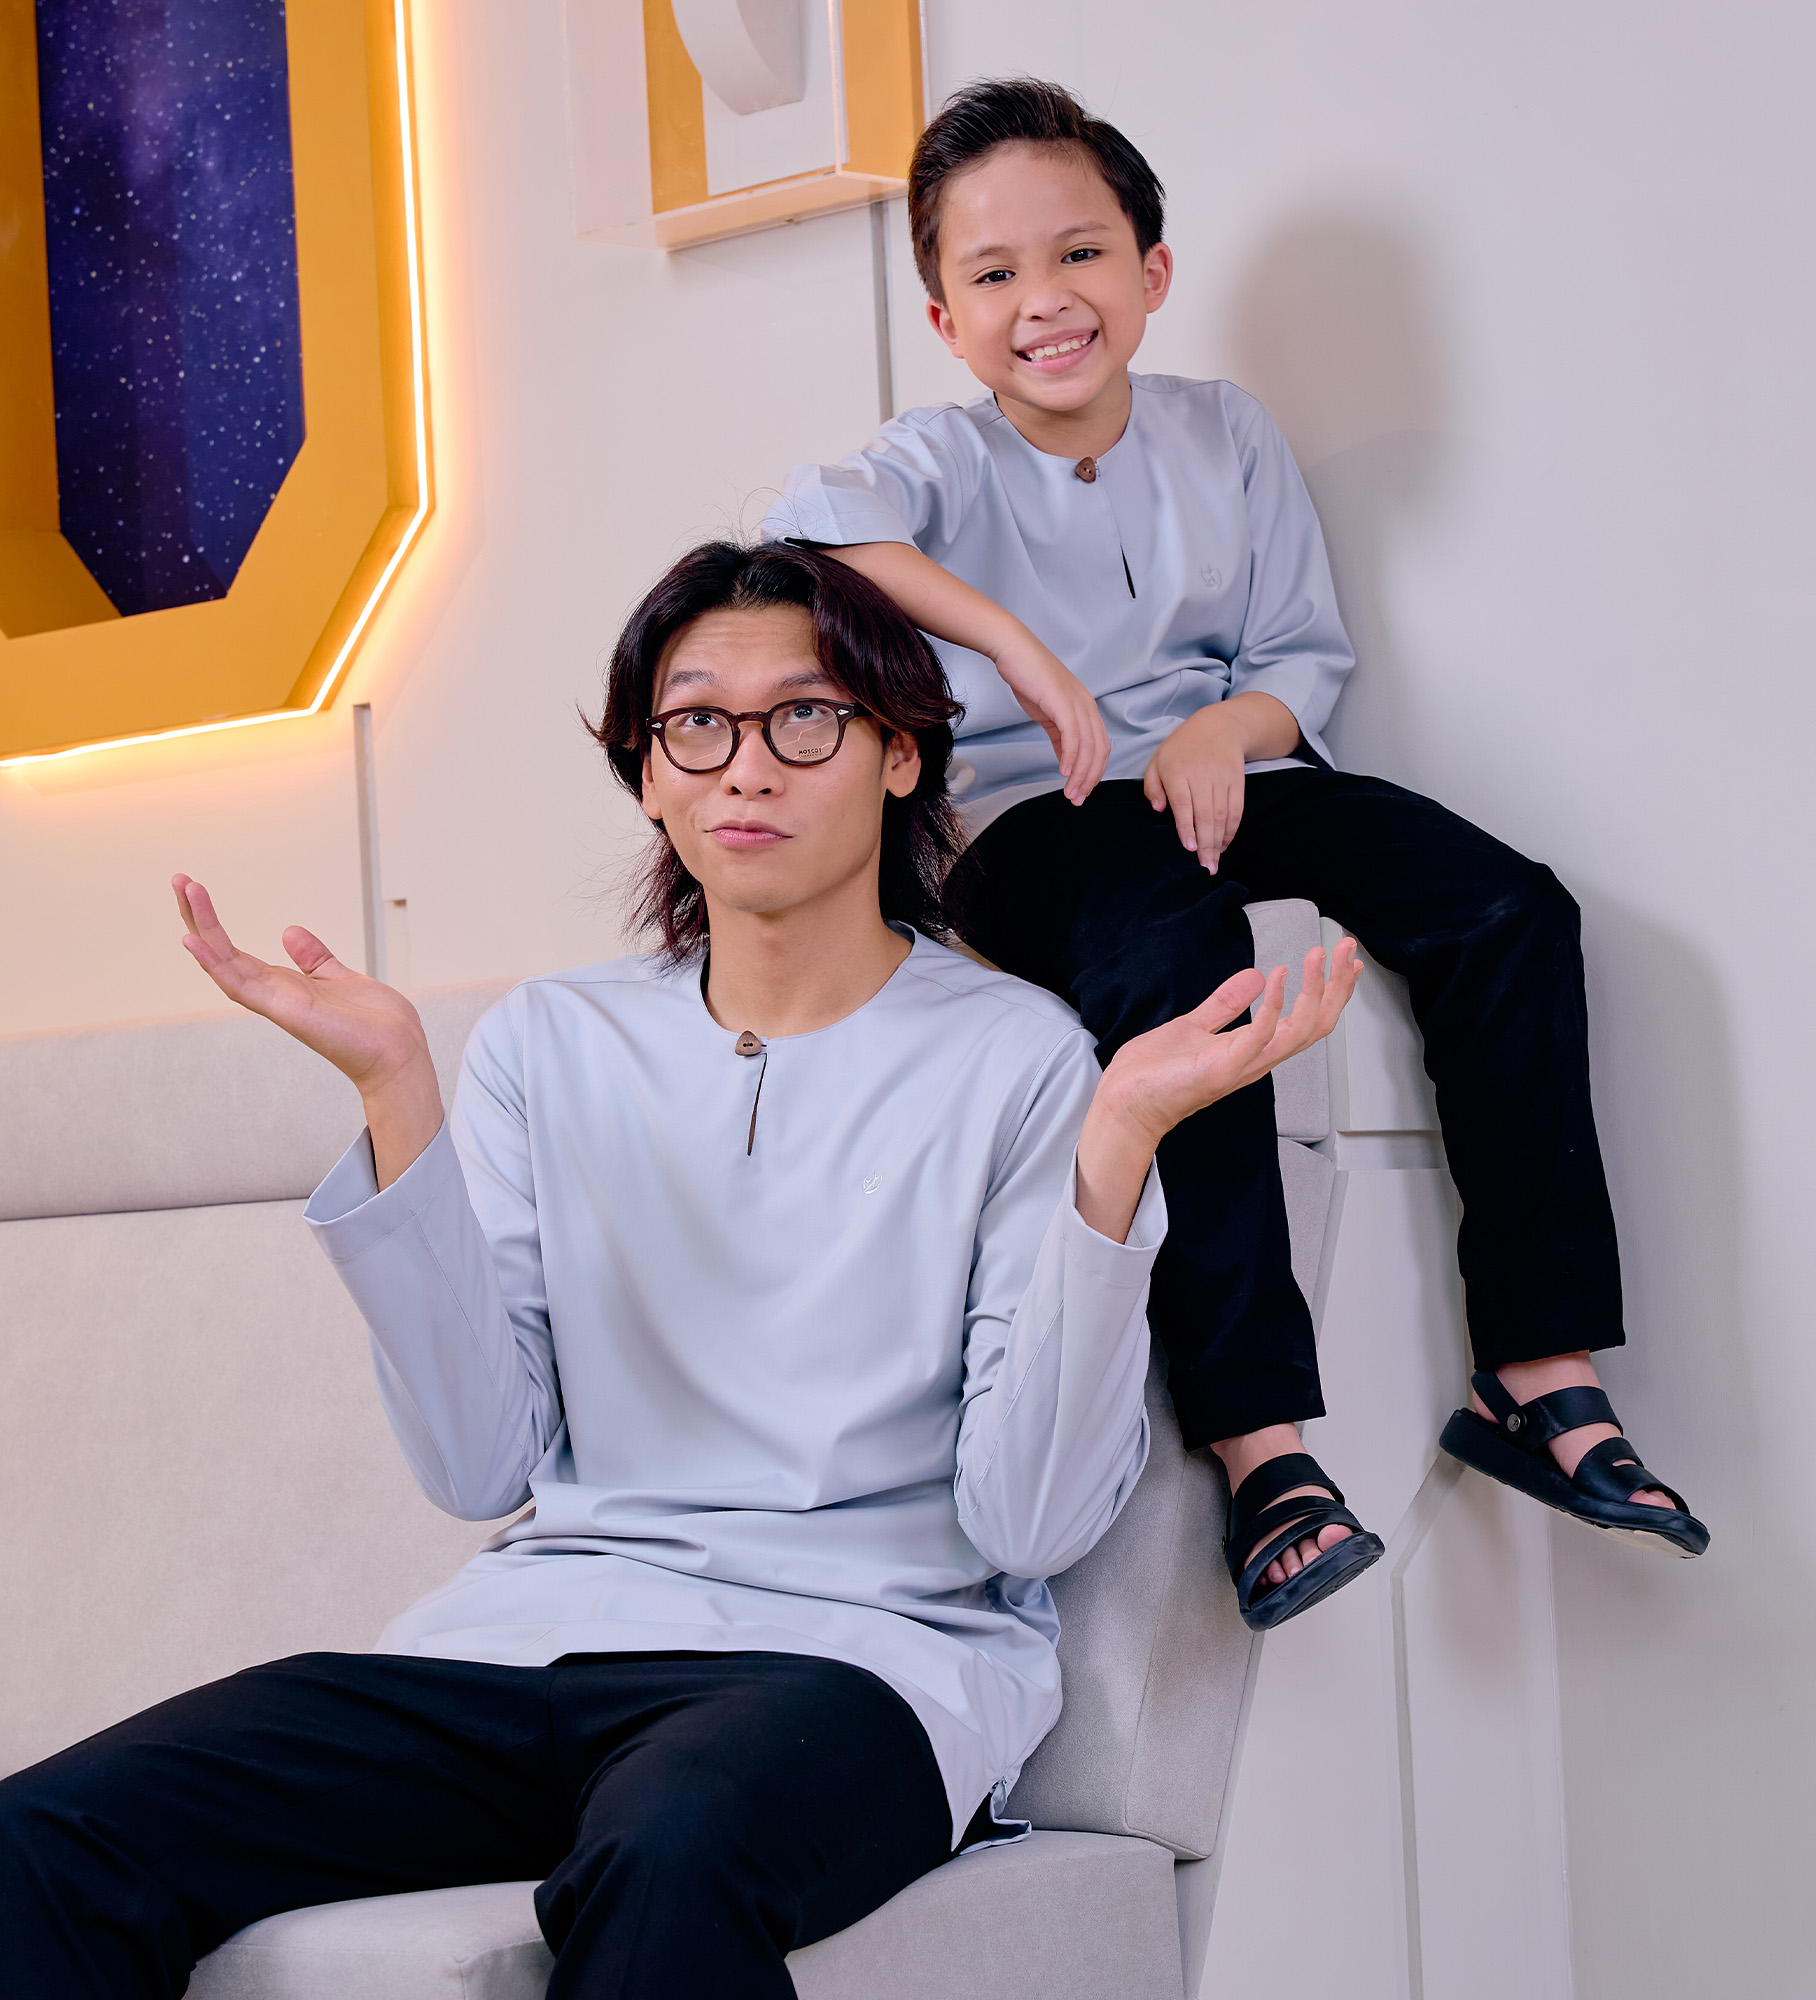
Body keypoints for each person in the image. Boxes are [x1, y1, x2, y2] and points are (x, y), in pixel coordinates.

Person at [0, 542, 1358, 2000]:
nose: (744, 768)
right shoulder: (548, 1043)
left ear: (901, 755)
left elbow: (1026, 1521)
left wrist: (1118, 1153)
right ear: (649, 775)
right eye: (697, 723)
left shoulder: (1018, 1058)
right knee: (42, 1841)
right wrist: (400, 1096)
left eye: (805, 717)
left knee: (673, 1854)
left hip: (862, 1664)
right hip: (523, 1645)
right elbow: (479, 1463)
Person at [765, 78, 1708, 1634]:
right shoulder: (938, 460)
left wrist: (1226, 729)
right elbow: (809, 537)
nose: (1043, 301)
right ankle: (1263, 1448)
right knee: (1177, 967)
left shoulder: (1227, 432)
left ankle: (1539, 1371)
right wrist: (1021, 652)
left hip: (1221, 777)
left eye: (1079, 254)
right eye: (994, 275)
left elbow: (1297, 656)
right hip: (1031, 817)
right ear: (945, 320)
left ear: (1151, 271)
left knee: (1506, 906)